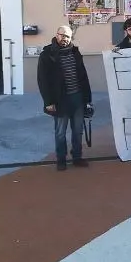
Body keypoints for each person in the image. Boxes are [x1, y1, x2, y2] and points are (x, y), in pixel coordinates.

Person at [37, 25, 92, 171]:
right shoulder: (47, 54)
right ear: (56, 35)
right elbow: (42, 80)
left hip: (78, 98)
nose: (64, 39)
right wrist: (48, 102)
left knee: (78, 130)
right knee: (60, 131)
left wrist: (87, 99)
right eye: (62, 35)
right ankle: (61, 159)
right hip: (60, 100)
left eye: (67, 36)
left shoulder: (75, 52)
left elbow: (84, 77)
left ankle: (77, 157)